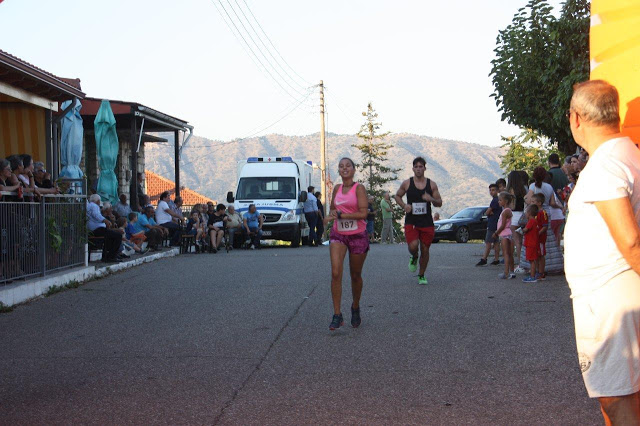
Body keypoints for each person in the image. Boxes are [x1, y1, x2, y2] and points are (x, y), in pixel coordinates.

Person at [564, 80, 640, 423]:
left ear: (576, 118)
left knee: (616, 397)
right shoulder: (628, 154)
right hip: (618, 295)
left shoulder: (606, 165)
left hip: (610, 301)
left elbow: (631, 241)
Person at [324, 157, 369, 330]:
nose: (344, 169)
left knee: (355, 275)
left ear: (353, 169)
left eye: (348, 166)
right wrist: (329, 218)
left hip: (358, 235)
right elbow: (333, 211)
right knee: (336, 272)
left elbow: (363, 214)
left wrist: (343, 215)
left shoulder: (359, 189)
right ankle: (337, 314)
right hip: (338, 234)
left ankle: (355, 306)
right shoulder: (337, 189)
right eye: (341, 166)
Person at [394, 157, 443, 285]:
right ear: (413, 169)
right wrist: (404, 206)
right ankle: (414, 256)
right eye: (416, 167)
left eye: (421, 166)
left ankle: (421, 275)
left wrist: (431, 198)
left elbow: (439, 203)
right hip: (412, 220)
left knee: (425, 249)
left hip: (426, 221)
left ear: (425, 168)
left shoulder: (431, 184)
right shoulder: (407, 183)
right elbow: (397, 196)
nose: (419, 169)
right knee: (413, 246)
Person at [86, 194, 124, 262]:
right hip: (97, 230)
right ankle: (111, 257)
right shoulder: (93, 205)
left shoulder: (90, 205)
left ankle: (107, 256)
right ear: (97, 201)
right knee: (118, 236)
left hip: (96, 230)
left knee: (110, 236)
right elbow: (96, 215)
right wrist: (105, 220)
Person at [507, 170, 529, 273]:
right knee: (523, 242)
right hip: (522, 216)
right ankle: (525, 262)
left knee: (517, 242)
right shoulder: (523, 189)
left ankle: (521, 264)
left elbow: (512, 206)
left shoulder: (511, 190)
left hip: (514, 216)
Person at [476, 184, 501, 267]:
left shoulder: (494, 200)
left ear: (497, 191)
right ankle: (496, 259)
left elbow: (487, 212)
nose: (491, 191)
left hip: (492, 224)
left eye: (493, 190)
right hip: (497, 224)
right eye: (490, 190)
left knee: (488, 242)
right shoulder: (498, 200)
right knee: (496, 242)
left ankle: (484, 259)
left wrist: (489, 212)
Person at [493, 192, 515, 279]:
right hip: (509, 233)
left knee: (505, 253)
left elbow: (502, 225)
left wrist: (496, 233)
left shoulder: (505, 212)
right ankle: (512, 271)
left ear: (505, 201)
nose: (499, 202)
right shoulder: (509, 210)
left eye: (500, 200)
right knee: (510, 253)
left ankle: (506, 272)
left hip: (504, 234)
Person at [531, 193, 548, 280]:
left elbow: (545, 226)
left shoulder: (542, 212)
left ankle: (542, 272)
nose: (531, 203)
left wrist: (538, 234)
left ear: (539, 203)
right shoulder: (535, 213)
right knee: (537, 255)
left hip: (540, 238)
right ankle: (538, 271)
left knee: (541, 255)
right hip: (535, 238)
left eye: (533, 201)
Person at [521, 204, 539, 283]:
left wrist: (522, 229)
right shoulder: (534, 221)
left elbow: (525, 229)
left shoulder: (531, 221)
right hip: (532, 243)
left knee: (531, 260)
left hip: (530, 243)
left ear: (529, 213)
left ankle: (532, 276)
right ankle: (533, 274)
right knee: (532, 260)